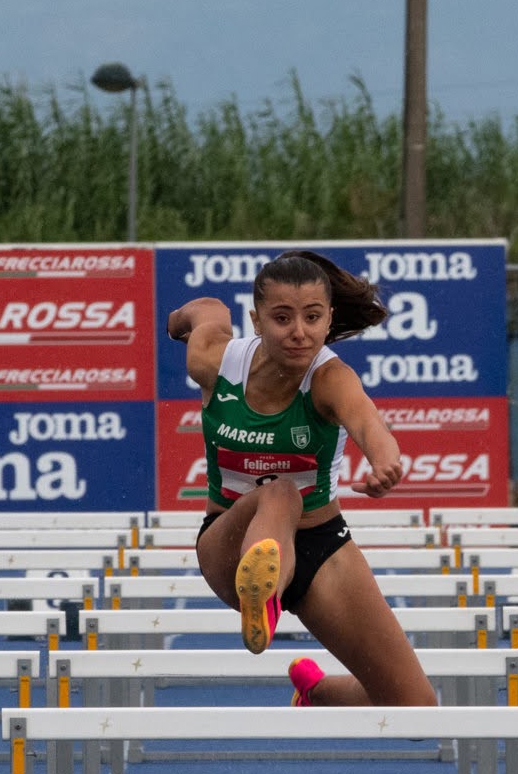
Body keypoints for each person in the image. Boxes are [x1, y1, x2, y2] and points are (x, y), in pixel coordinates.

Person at [165, 250, 436, 708]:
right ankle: (263, 595)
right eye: (282, 318)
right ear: (256, 321)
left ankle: (315, 691)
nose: (299, 332)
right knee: (281, 494)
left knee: (415, 707)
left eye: (312, 318)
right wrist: (175, 323)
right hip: (229, 543)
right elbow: (203, 310)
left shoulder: (331, 378)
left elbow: (369, 423)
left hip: (320, 547)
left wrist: (385, 463)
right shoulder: (214, 359)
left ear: (329, 319)